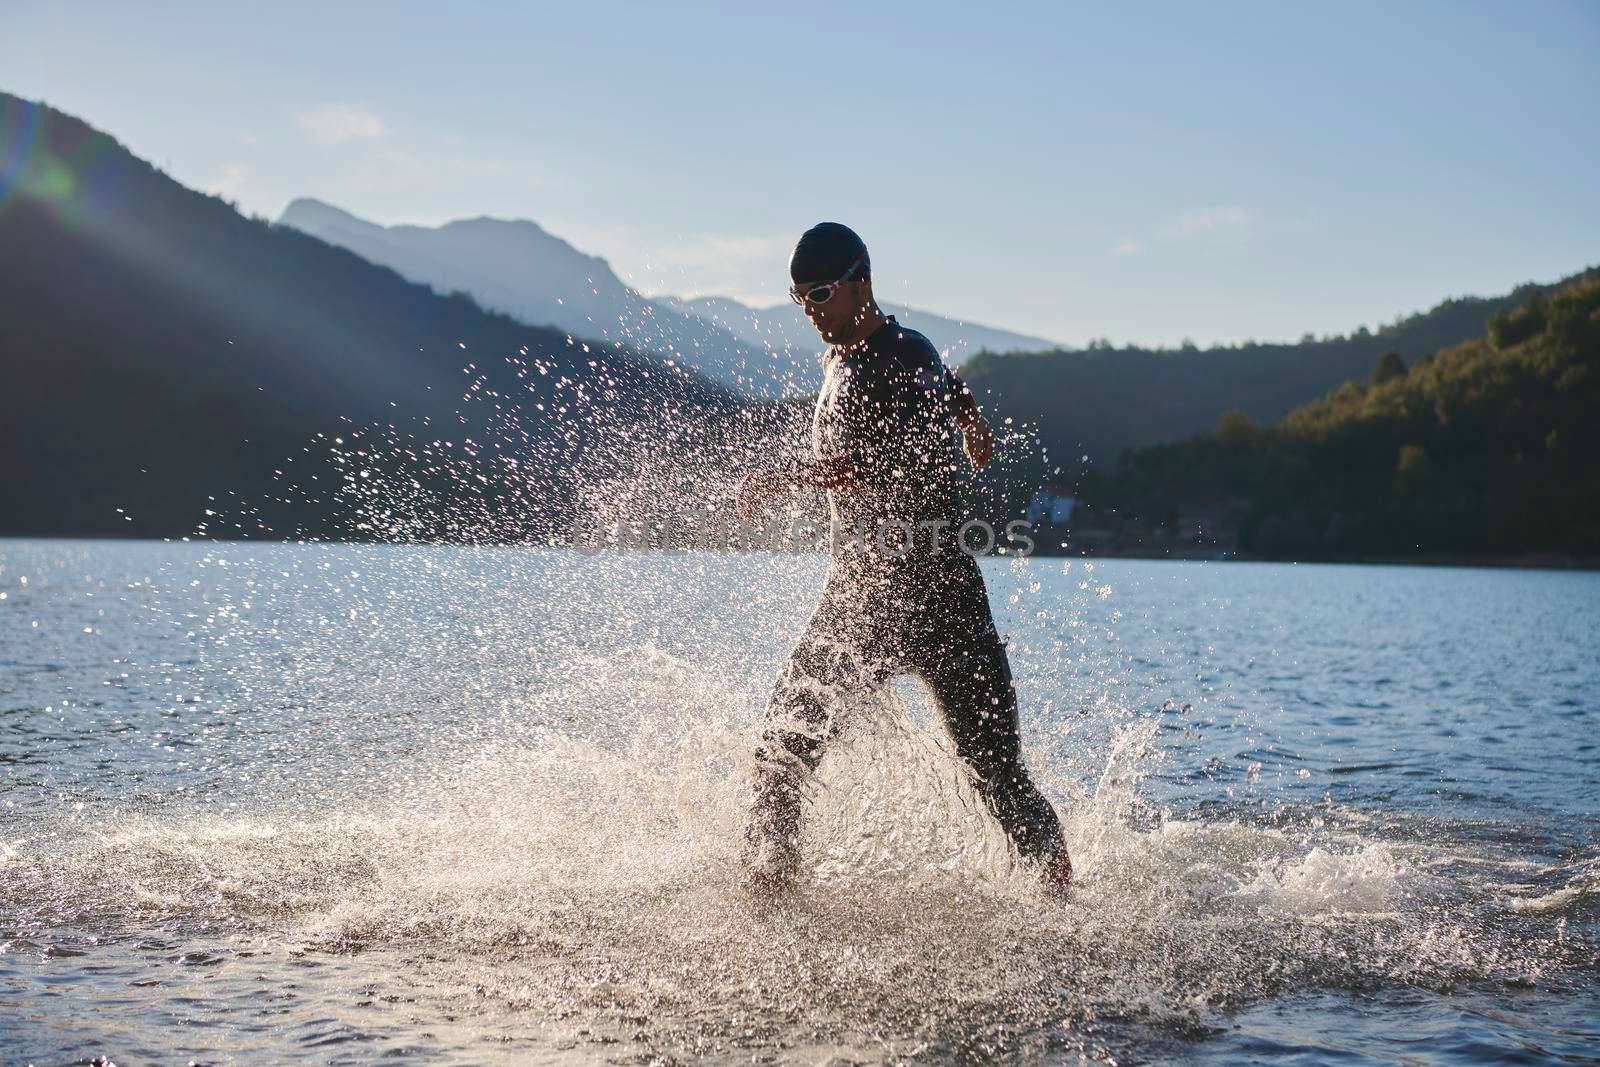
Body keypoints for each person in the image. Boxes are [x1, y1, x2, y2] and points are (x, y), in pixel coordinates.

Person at [735, 222, 1073, 900]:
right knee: (779, 753)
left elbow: (907, 466)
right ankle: (768, 900)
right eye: (799, 297)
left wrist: (791, 479)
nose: (812, 310)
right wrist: (974, 422)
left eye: (823, 293)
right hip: (861, 596)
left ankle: (1065, 900)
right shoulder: (849, 359)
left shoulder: (902, 352)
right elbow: (950, 390)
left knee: (998, 776)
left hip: (936, 596)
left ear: (862, 279)